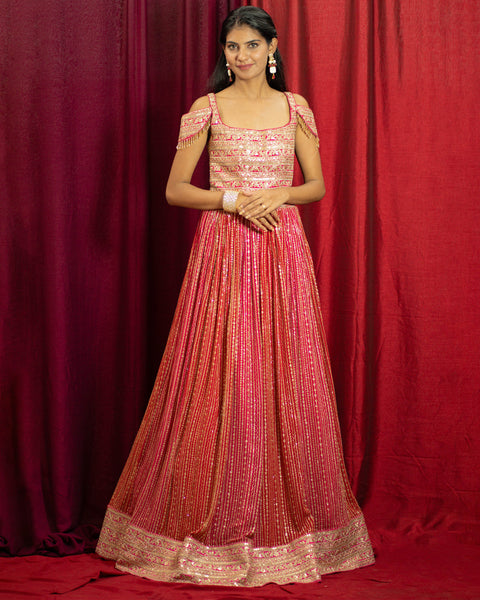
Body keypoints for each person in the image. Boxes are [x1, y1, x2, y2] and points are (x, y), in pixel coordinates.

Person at [96, 6, 375, 587]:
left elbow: (317, 185)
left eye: (250, 46)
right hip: (222, 253)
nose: (240, 56)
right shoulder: (207, 110)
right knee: (219, 374)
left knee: (282, 374)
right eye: (231, 47)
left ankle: (280, 513)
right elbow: (176, 190)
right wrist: (228, 200)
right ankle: (218, 510)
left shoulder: (295, 107)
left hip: (281, 253)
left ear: (272, 48)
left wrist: (278, 194)